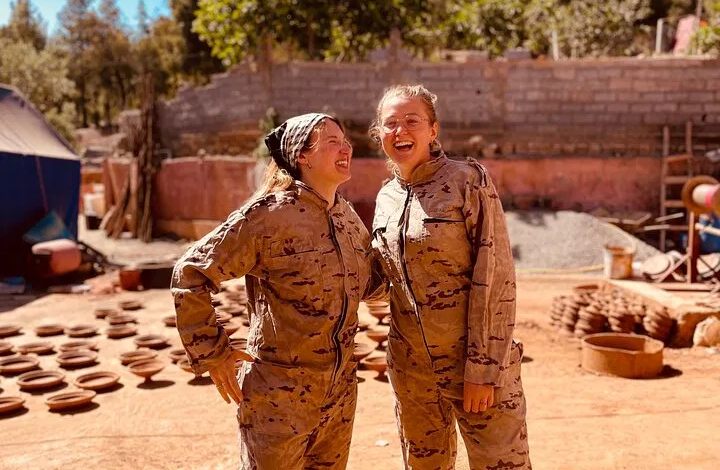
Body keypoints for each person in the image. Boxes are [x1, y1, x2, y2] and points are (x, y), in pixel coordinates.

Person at [171, 113, 386, 470]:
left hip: (339, 396)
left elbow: (369, 284)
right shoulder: (268, 216)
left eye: (345, 141)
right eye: (331, 141)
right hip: (279, 402)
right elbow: (190, 272)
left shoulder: (345, 216)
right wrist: (213, 353)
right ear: (303, 156)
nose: (345, 147)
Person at [369, 85, 531, 470]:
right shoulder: (387, 197)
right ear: (379, 134)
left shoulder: (466, 181)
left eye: (412, 121)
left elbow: (494, 277)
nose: (400, 131)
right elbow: (378, 281)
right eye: (390, 123)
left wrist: (483, 369)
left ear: (433, 129)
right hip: (414, 375)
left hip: (474, 369)